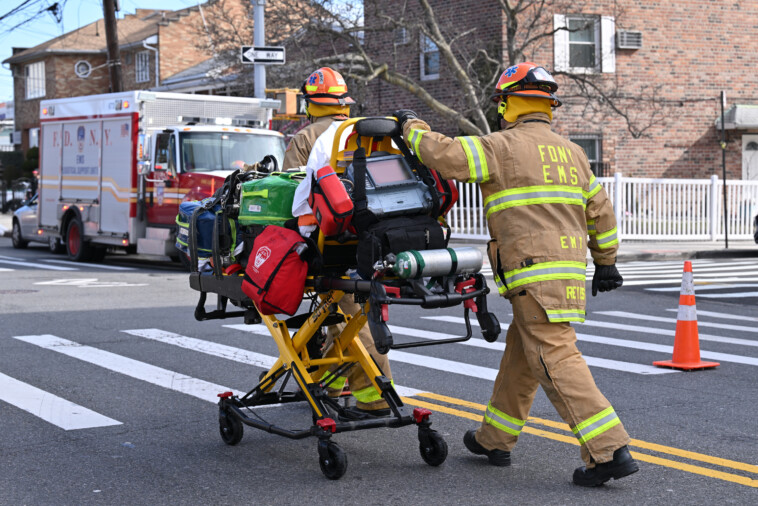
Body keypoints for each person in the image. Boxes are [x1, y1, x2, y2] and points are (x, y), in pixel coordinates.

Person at [393, 62, 638, 486]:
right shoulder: (574, 152)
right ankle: (495, 439)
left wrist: (411, 128)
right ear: (549, 106)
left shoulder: (499, 146)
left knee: (553, 356)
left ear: (507, 104)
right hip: (565, 272)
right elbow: (600, 209)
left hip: (532, 272)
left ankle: (608, 450)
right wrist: (606, 261)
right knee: (524, 355)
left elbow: (447, 157)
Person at [287, 67, 394, 416]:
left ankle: (375, 397)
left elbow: (290, 194)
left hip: (328, 245)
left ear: (309, 104)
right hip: (371, 239)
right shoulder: (364, 133)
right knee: (337, 314)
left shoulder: (306, 138)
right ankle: (327, 380)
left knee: (347, 316)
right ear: (343, 103)